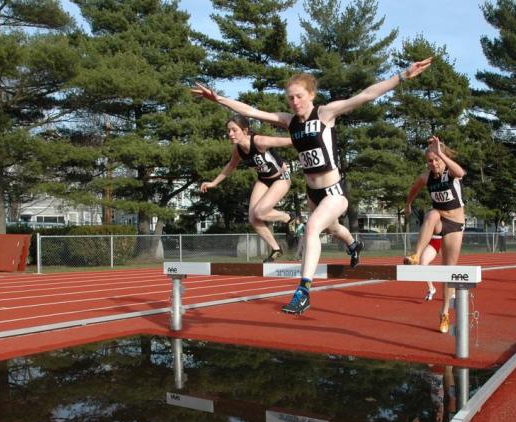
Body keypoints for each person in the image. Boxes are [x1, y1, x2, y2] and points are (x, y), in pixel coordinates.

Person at [192, 57, 433, 315]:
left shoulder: (326, 113)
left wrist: (403, 76)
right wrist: (218, 99)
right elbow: (250, 111)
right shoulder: (289, 121)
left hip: (334, 191)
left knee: (312, 228)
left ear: (311, 95)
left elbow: (366, 95)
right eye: (290, 98)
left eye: (298, 96)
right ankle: (354, 245)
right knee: (332, 228)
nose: (294, 102)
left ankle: (303, 291)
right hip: (312, 193)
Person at [201, 114, 295, 263]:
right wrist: (214, 182)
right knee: (253, 218)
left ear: (245, 131)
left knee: (260, 212)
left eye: (234, 130)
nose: (230, 134)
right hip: (263, 180)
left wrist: (308, 137)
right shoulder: (238, 149)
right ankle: (276, 249)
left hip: (281, 178)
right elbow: (231, 165)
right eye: (228, 130)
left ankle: (288, 217)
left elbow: (291, 141)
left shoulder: (259, 141)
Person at [404, 136, 465, 334]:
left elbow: (460, 172)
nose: (433, 164)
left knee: (448, 270)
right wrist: (408, 203)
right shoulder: (426, 176)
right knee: (431, 213)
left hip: (455, 224)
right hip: (439, 220)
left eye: (436, 160)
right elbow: (414, 188)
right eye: (430, 161)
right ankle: (415, 254)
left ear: (442, 158)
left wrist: (441, 154)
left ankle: (445, 312)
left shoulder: (450, 173)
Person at [405, 222, 442, 301]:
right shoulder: (429, 213)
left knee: (449, 266)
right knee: (423, 264)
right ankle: (431, 288)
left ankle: (452, 293)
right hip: (433, 241)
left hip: (446, 240)